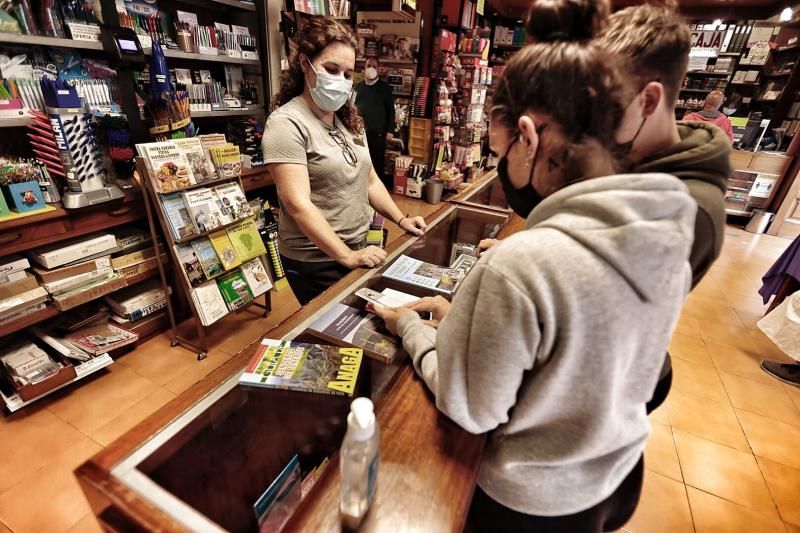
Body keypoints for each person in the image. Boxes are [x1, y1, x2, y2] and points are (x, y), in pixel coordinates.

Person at [372, 0, 697, 530]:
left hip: (526, 502)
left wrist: (411, 327)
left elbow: (472, 407)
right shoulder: (668, 227)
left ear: (528, 135)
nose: (502, 168)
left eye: (499, 149)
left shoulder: (522, 264)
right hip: (610, 480)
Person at [597, 4, 731, 412]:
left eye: (603, 103)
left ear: (649, 100)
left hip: (614, 387)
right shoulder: (632, 157)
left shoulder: (690, 209)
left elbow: (595, 311)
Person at [261, 17, 426, 305]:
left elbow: (370, 180)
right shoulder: (286, 124)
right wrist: (347, 255)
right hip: (317, 259)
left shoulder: (348, 119)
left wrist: (401, 219)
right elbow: (297, 204)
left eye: (348, 74)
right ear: (304, 63)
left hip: (358, 246)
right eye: (331, 69)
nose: (340, 80)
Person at [354, 57, 396, 190]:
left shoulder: (385, 88)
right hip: (360, 133)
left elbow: (391, 110)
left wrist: (390, 130)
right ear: (364, 69)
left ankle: (377, 192)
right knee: (360, 162)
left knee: (377, 164)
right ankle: (360, 189)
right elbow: (351, 107)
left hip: (378, 133)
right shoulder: (358, 87)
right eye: (368, 66)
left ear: (378, 70)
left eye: (374, 66)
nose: (371, 69)